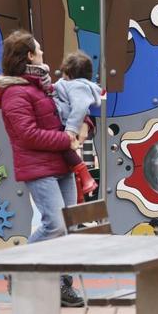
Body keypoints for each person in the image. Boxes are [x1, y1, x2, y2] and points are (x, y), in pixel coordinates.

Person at [0, 31, 84, 306]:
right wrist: (65, 139)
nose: (43, 53)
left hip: (60, 162)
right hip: (39, 167)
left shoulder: (42, 85)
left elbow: (58, 117)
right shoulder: (16, 92)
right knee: (54, 223)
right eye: (38, 50)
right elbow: (27, 134)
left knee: (67, 226)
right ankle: (16, 269)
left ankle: (61, 284)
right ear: (29, 55)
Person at [53, 51, 100, 203]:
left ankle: (86, 179)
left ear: (69, 73)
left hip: (67, 127)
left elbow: (79, 107)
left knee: (68, 154)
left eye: (64, 73)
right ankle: (82, 190)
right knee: (70, 160)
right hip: (67, 124)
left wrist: (71, 130)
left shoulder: (77, 86)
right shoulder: (76, 86)